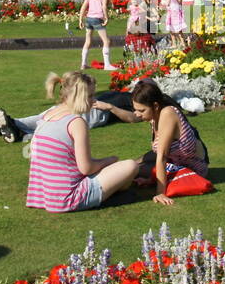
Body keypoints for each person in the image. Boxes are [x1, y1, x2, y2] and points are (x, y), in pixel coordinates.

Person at [25, 71, 139, 213]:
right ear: (79, 96)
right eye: (90, 96)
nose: (94, 100)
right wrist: (110, 160)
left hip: (44, 196)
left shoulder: (49, 115)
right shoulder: (76, 122)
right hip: (69, 198)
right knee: (130, 166)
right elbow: (86, 168)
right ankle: (107, 197)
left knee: (116, 171)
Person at [0, 74, 143, 144]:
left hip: (96, 112)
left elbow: (134, 118)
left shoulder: (137, 104)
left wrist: (111, 108)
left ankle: (14, 128)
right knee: (48, 115)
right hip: (89, 105)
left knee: (51, 121)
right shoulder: (127, 96)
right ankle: (12, 125)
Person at [129, 79, 210, 206]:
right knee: (132, 167)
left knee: (131, 169)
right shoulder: (154, 117)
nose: (137, 114)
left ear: (155, 106)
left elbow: (162, 156)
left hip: (193, 170)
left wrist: (160, 192)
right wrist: (150, 179)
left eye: (141, 110)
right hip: (176, 165)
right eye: (136, 109)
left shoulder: (167, 113)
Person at [78, 0, 115, 70]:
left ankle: (83, 64)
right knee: (106, 41)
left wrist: (80, 19)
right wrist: (106, 17)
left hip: (89, 19)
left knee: (88, 41)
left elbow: (83, 6)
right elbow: (104, 7)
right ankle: (107, 65)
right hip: (97, 19)